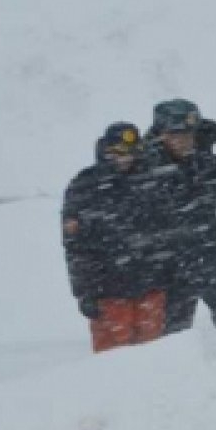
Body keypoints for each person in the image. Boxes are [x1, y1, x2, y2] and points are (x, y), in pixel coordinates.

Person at [146, 98, 216, 371]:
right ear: (161, 134)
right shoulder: (146, 165)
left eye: (189, 134)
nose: (184, 141)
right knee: (173, 331)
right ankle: (177, 379)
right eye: (176, 135)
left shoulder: (203, 158)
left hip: (208, 252)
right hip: (167, 262)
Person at [62, 122, 176, 353]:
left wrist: (170, 276)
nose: (125, 159)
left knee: (154, 356)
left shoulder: (153, 181)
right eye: (118, 153)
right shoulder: (84, 186)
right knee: (112, 361)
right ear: (106, 150)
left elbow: (167, 233)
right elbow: (76, 248)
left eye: (131, 153)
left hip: (151, 288)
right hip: (108, 292)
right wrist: (84, 292)